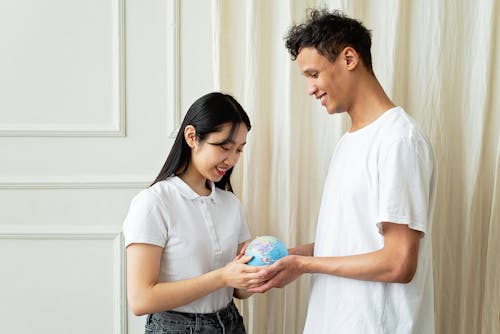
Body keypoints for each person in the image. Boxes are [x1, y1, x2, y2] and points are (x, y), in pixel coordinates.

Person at [249, 9, 437, 334]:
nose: (310, 89)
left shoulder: (398, 140)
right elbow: (351, 241)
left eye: (313, 74)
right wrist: (288, 257)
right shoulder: (349, 142)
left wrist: (303, 264)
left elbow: (398, 262)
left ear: (349, 58)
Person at [123, 92, 264, 334]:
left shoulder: (230, 204)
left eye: (239, 150)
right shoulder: (154, 203)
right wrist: (222, 277)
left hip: (230, 323)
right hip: (176, 328)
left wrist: (265, 270)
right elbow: (141, 300)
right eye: (224, 147)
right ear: (192, 137)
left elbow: (239, 291)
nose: (231, 159)